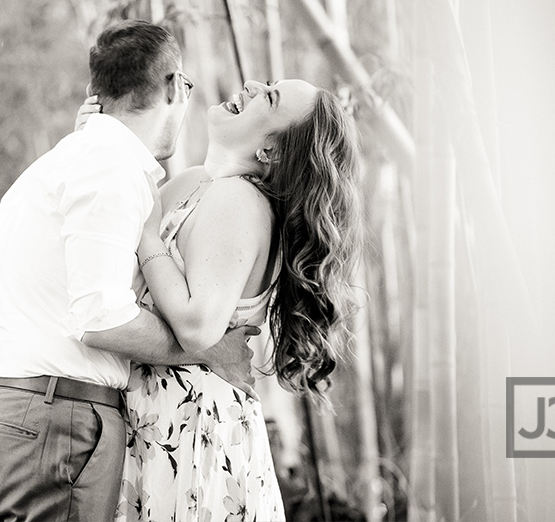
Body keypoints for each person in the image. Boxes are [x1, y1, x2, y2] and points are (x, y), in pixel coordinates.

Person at [0, 20, 259, 522]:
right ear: (173, 87)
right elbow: (100, 318)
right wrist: (208, 349)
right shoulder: (110, 167)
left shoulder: (79, 159)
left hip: (36, 417)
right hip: (58, 422)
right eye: (187, 86)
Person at [81, 78, 363, 522]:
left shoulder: (240, 201)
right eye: (266, 84)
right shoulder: (195, 185)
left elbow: (196, 324)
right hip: (158, 423)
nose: (250, 86)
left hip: (193, 433)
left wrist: (149, 234)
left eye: (268, 98)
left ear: (270, 150)